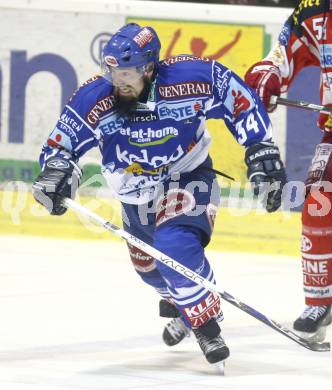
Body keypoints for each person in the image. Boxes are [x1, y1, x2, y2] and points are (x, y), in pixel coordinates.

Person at [32, 23, 286, 364]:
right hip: (134, 193)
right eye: (113, 70)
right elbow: (60, 146)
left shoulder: (189, 78)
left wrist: (260, 147)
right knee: (149, 269)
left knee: (174, 246)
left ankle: (205, 324)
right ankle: (185, 303)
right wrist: (56, 171)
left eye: (127, 72)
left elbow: (237, 98)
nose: (118, 79)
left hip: (188, 175)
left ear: (149, 67)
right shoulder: (95, 97)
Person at [245, 0, 332, 342]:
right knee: (317, 204)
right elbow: (282, 55)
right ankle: (319, 302)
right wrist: (265, 78)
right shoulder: (313, 11)